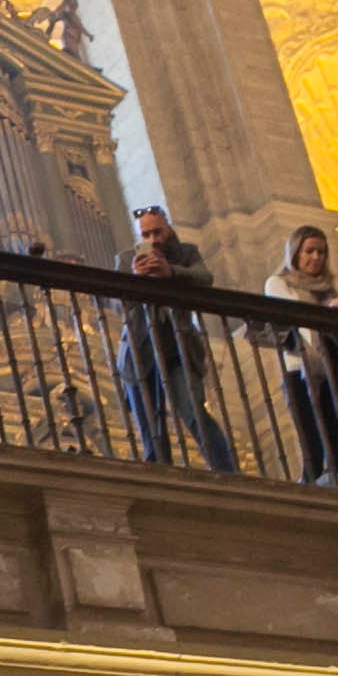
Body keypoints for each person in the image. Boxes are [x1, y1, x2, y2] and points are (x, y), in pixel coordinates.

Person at [112, 203, 238, 473]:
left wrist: (172, 272)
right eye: (146, 236)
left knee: (194, 411)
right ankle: (159, 475)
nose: (153, 241)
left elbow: (205, 277)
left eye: (158, 233)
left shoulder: (185, 254)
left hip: (178, 347)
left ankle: (227, 471)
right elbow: (115, 303)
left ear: (168, 229)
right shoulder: (125, 260)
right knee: (150, 424)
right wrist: (136, 279)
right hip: (139, 349)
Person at [262, 223, 338, 485]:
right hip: (301, 372)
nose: (315, 257)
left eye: (321, 252)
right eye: (309, 251)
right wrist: (330, 310)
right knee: (312, 448)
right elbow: (297, 316)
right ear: (295, 253)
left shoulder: (328, 289)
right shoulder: (279, 283)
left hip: (334, 373)